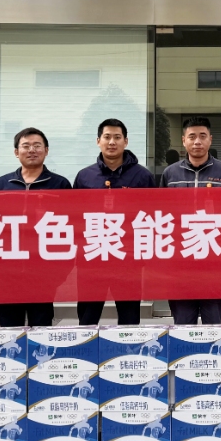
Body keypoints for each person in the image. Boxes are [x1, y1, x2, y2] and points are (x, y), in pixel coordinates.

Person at [160, 116, 221, 325]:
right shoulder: (170, 174)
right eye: (192, 137)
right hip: (180, 260)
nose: (197, 141)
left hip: (215, 260)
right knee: (182, 323)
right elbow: (161, 215)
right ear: (183, 140)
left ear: (210, 139)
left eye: (202, 136)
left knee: (214, 324)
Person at [74, 118, 156, 325]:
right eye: (107, 137)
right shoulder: (84, 177)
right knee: (88, 317)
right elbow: (75, 217)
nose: (112, 142)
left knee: (129, 317)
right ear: (98, 141)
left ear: (125, 141)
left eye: (117, 137)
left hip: (128, 258)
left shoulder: (142, 176)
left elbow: (151, 216)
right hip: (92, 257)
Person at [0, 127, 72, 327]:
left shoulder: (60, 185)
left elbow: (70, 230)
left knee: (41, 328)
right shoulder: (1, 185)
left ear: (46, 150)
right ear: (16, 152)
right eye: (26, 146)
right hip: (7, 272)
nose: (32, 150)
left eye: (37, 146)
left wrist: (61, 273)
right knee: (9, 329)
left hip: (43, 272)